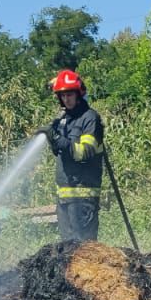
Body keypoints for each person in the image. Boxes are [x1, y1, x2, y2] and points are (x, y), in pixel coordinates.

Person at [43, 69, 105, 242]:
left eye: (69, 94)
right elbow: (59, 151)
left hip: (83, 197)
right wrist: (53, 140)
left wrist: (59, 140)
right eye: (62, 96)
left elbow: (84, 153)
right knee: (67, 250)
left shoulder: (90, 118)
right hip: (65, 198)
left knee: (83, 250)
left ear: (78, 94)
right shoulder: (64, 120)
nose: (66, 99)